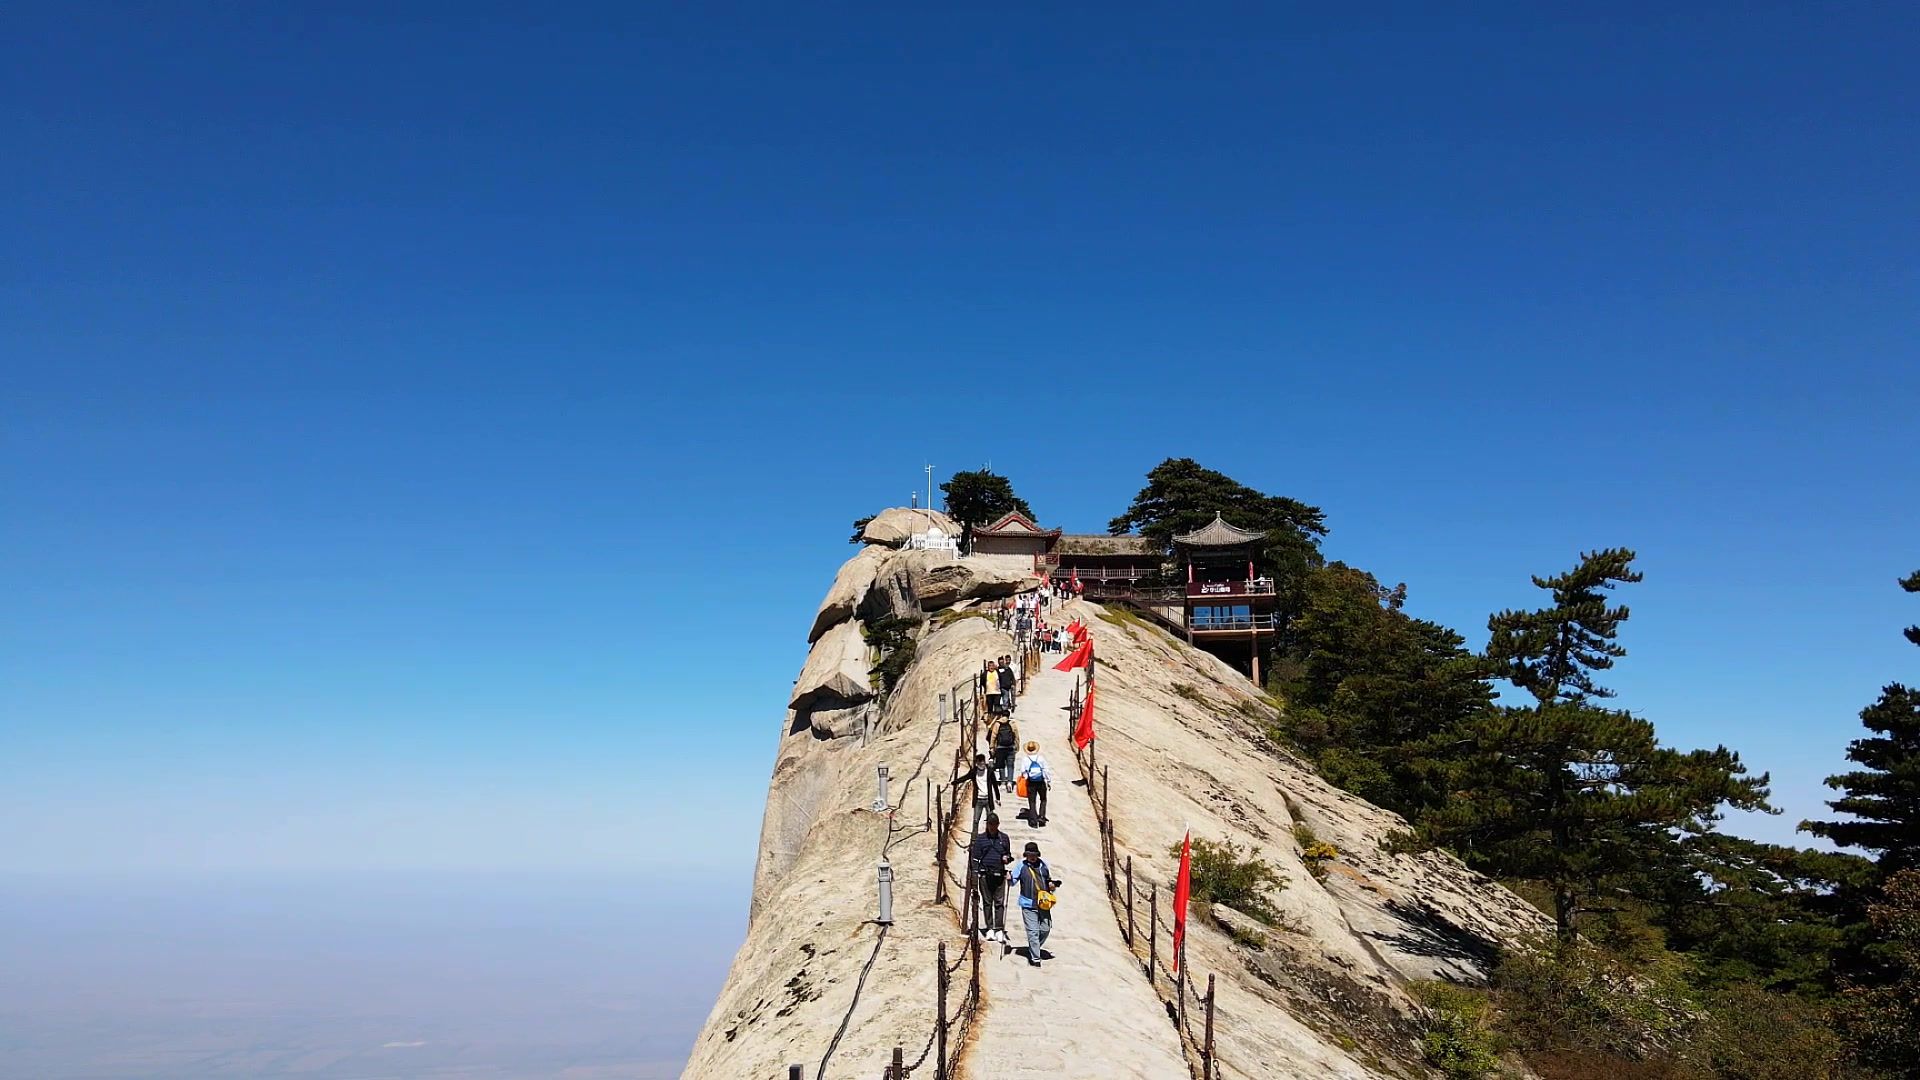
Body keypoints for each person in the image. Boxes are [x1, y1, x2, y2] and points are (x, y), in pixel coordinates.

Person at [1012, 841, 1059, 966]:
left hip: (1043, 903)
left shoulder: (1043, 865)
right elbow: (1012, 881)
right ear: (1026, 855)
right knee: (1032, 931)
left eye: (1034, 854)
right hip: (1028, 903)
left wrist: (1052, 885)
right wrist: (1008, 878)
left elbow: (1047, 880)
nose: (1032, 857)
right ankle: (1035, 959)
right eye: (1029, 854)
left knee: (1045, 928)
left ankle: (1034, 947)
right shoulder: (1021, 866)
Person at [969, 812, 1013, 942]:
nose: (992, 827)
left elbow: (1008, 854)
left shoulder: (1004, 838)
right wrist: (975, 876)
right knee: (987, 902)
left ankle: (999, 929)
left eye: (994, 824)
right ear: (987, 824)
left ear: (998, 825)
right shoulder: (980, 839)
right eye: (990, 824)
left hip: (999, 873)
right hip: (985, 875)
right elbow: (975, 858)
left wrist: (1007, 859)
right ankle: (989, 928)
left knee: (999, 903)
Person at [955, 752, 997, 834]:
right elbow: (965, 778)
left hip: (988, 800)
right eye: (979, 762)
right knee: (976, 820)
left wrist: (998, 797)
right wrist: (954, 782)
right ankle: (974, 840)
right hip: (978, 800)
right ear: (977, 763)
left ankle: (989, 837)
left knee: (991, 820)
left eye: (983, 762)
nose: (982, 764)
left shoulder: (989, 771)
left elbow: (995, 784)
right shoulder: (974, 772)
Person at [1018, 740, 1052, 827]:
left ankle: (1033, 820)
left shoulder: (1025, 759)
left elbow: (1023, 771)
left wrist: (1026, 777)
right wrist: (1048, 781)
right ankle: (1041, 816)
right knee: (1043, 799)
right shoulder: (1040, 758)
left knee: (1032, 801)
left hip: (1031, 782)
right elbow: (1046, 770)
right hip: (1040, 781)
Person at [991, 713, 1019, 793]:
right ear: (1008, 715)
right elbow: (1016, 736)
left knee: (1001, 765)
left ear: (1001, 715)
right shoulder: (1012, 724)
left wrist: (992, 747)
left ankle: (1003, 783)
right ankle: (1010, 782)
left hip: (1000, 747)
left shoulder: (997, 724)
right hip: (1010, 747)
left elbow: (993, 736)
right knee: (1010, 766)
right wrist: (1017, 746)